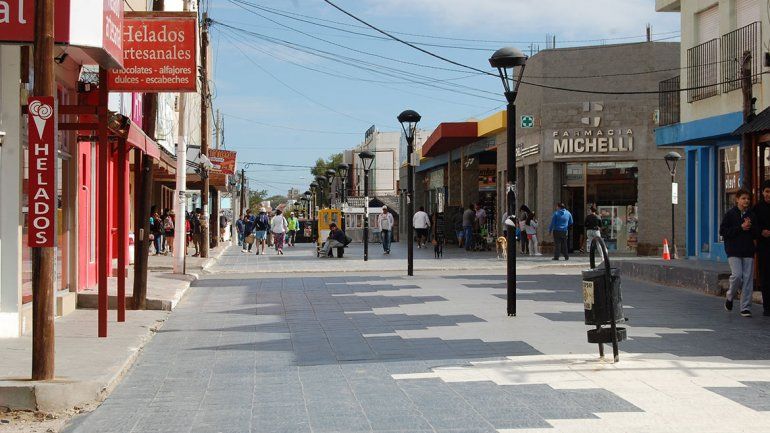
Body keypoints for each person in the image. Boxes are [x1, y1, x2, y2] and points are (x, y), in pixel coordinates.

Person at [721, 189, 758, 317]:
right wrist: (740, 228)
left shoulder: (752, 215)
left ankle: (745, 307)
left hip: (748, 251)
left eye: (748, 199)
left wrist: (751, 227)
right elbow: (723, 231)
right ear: (737, 199)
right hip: (733, 250)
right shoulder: (730, 214)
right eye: (743, 198)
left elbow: (755, 233)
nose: (746, 201)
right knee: (737, 276)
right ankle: (730, 296)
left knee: (748, 280)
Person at [754, 180, 770, 317]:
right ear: (763, 192)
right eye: (767, 191)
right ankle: (767, 307)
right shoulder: (758, 208)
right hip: (764, 248)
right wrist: (761, 232)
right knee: (765, 277)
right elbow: (753, 226)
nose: (769, 194)